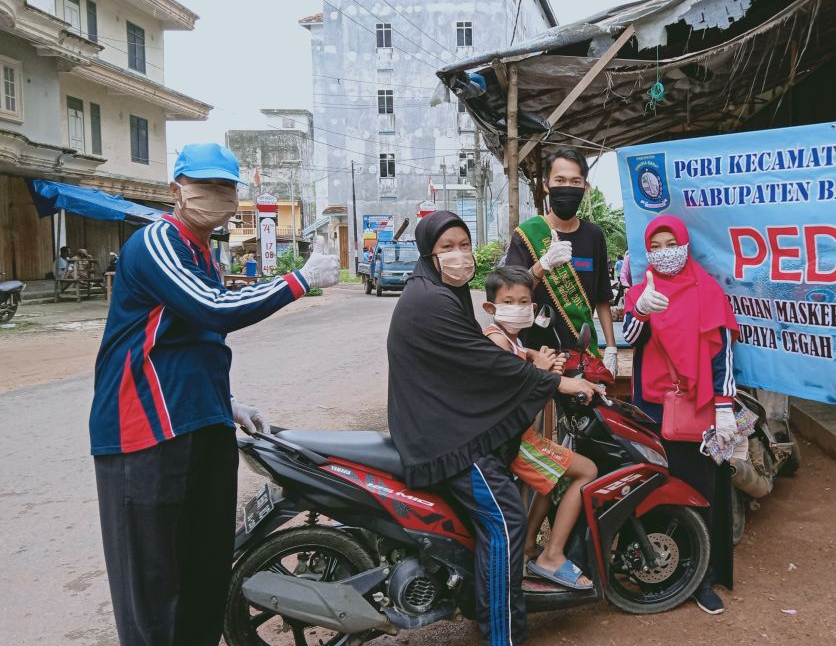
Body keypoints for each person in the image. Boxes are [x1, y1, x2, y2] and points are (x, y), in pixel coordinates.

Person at [89, 143, 342, 646]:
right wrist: (300, 279)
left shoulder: (202, 251)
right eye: (204, 186)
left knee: (204, 569)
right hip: (145, 431)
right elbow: (214, 308)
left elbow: (186, 344)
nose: (216, 197)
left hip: (199, 421)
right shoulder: (158, 240)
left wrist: (224, 404)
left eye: (225, 188)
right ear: (176, 190)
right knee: (154, 583)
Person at [388, 211, 600, 646]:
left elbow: (476, 366)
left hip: (442, 423)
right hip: (449, 438)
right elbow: (485, 364)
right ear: (429, 253)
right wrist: (557, 380)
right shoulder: (432, 300)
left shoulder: (441, 293)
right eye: (447, 248)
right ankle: (503, 636)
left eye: (464, 245)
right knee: (507, 522)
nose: (460, 255)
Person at [622, 213, 740, 615]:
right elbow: (630, 340)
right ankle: (662, 569)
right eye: (654, 247)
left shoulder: (709, 293)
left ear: (685, 245)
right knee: (655, 487)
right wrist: (639, 309)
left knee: (701, 491)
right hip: (651, 411)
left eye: (670, 244)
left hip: (699, 410)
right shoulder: (641, 289)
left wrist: (724, 410)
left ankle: (703, 579)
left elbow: (723, 355)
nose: (663, 253)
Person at [480, 266, 598, 590]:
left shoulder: (511, 339)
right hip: (515, 441)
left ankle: (530, 546)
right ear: (491, 308)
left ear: (533, 309)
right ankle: (553, 554)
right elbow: (516, 386)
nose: (517, 308)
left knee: (554, 480)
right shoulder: (496, 342)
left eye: (524, 302)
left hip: (518, 436)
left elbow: (526, 359)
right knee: (586, 471)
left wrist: (544, 363)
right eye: (508, 301)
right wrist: (548, 375)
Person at [504, 149, 618, 375]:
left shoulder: (594, 235)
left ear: (585, 188)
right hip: (537, 354)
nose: (567, 186)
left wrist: (612, 348)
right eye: (560, 180)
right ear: (547, 185)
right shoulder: (526, 235)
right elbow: (510, 295)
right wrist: (542, 265)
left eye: (575, 181)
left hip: (582, 353)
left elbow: (603, 297)